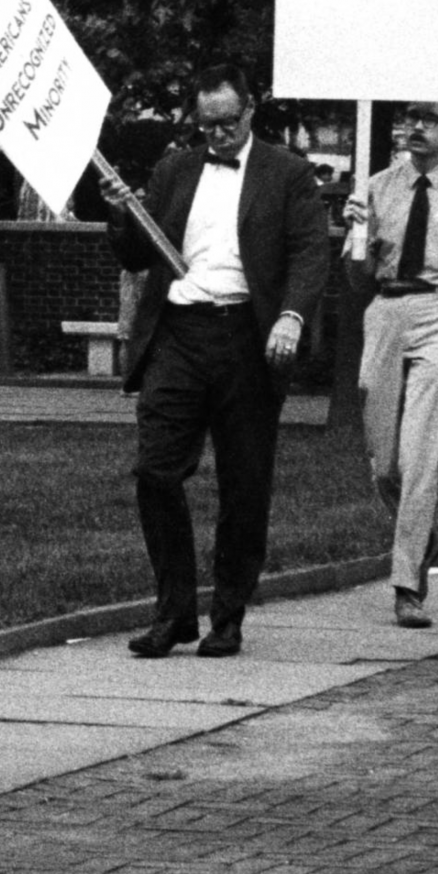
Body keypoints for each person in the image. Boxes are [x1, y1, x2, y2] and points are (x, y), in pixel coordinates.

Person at [102, 64, 328, 659]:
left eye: (229, 123)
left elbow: (309, 254)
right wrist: (122, 213)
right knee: (156, 472)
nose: (219, 136)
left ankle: (228, 614)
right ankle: (173, 610)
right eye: (208, 126)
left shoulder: (289, 173)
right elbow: (136, 253)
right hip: (178, 334)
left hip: (247, 338)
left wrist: (291, 316)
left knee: (244, 483)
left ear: (250, 112)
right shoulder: (176, 168)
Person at [343, 95, 438, 628]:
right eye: (411, 117)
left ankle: (407, 584)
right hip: (386, 310)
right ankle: (424, 537)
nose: (416, 127)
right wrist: (355, 237)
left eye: (430, 120)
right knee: (384, 461)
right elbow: (358, 278)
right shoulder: (379, 186)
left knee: (420, 452)